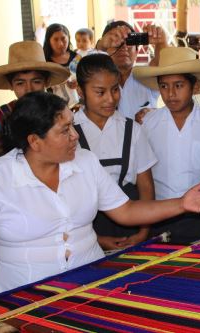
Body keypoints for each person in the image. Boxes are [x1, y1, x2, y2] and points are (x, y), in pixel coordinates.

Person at [0, 91, 200, 327]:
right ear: (35, 141)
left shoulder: (85, 162)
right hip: (22, 299)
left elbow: (127, 211)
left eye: (72, 126)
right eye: (64, 130)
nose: (75, 135)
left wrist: (182, 204)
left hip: (89, 288)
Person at [133, 47, 200, 243]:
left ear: (194, 87)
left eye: (179, 85)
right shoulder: (147, 123)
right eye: (164, 86)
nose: (170, 94)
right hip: (159, 215)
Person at [74, 53, 157, 250]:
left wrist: (143, 231)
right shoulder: (69, 131)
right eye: (100, 92)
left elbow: (145, 186)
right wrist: (96, 239)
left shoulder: (132, 129)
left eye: (115, 90)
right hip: (85, 229)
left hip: (132, 223)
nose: (110, 99)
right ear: (80, 91)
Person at [0, 41, 69, 174]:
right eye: (20, 83)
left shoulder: (59, 114)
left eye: (36, 81)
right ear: (10, 85)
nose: (29, 89)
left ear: (46, 81)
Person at [96, 21, 167, 119]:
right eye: (116, 42)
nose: (123, 47)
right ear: (105, 50)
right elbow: (82, 71)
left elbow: (163, 64)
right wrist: (100, 45)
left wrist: (161, 42)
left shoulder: (146, 76)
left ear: (137, 52)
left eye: (129, 41)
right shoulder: (97, 79)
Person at [43, 23, 80, 107]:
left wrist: (78, 83)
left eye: (63, 38)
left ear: (68, 38)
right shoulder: (45, 62)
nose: (60, 44)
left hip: (78, 105)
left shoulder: (76, 57)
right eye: (55, 39)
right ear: (49, 41)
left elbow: (85, 78)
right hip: (54, 107)